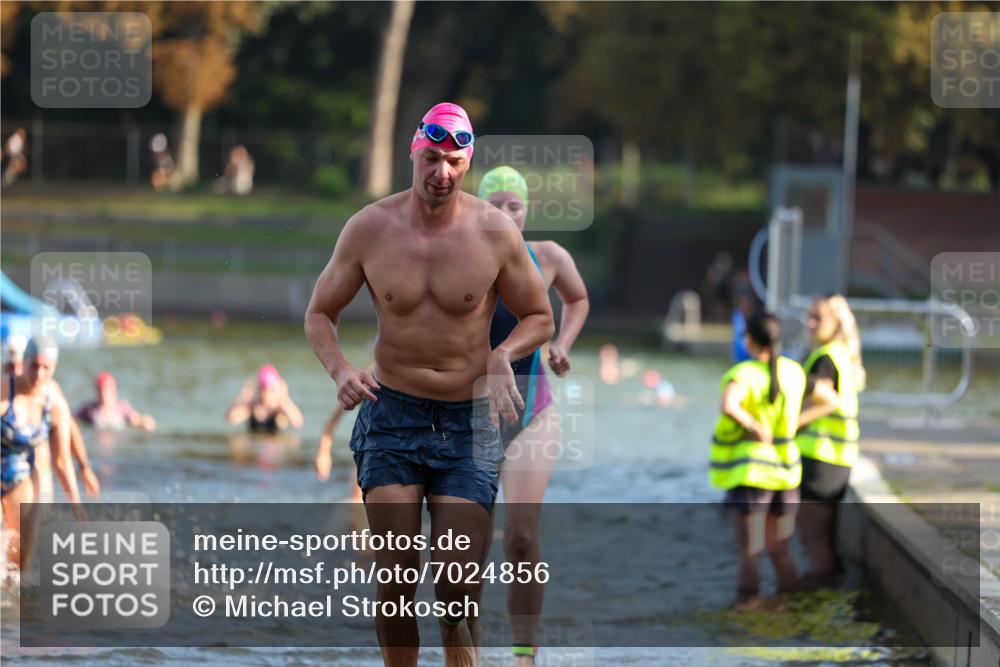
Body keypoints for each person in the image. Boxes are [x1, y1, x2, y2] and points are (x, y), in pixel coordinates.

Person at [304, 102, 554, 667]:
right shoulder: (369, 228)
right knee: (395, 586)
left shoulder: (493, 233)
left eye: (454, 162)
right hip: (392, 417)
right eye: (433, 157)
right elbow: (320, 312)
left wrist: (503, 354)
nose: (441, 172)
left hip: (468, 425)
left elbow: (541, 316)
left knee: (457, 595)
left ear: (467, 166)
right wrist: (342, 370)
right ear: (413, 152)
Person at [478, 165, 590, 666]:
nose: (504, 213)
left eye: (514, 206)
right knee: (466, 548)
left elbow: (578, 297)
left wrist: (563, 344)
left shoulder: (547, 257)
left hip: (532, 416)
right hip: (471, 418)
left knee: (521, 538)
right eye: (494, 205)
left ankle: (525, 655)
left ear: (527, 211)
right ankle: (467, 653)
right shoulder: (463, 261)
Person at [709, 312, 806, 609]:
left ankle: (746, 607)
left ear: (749, 339)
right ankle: (788, 607)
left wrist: (753, 426)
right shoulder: (794, 372)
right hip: (787, 472)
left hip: (753, 475)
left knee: (750, 548)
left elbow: (729, 405)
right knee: (781, 550)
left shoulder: (745, 372)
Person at [796, 294, 865, 590]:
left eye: (818, 318)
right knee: (824, 538)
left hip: (821, 460)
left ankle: (817, 600)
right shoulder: (843, 354)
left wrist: (790, 425)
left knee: (814, 538)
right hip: (838, 460)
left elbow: (829, 400)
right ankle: (831, 598)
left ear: (835, 323)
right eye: (808, 317)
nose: (810, 323)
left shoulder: (826, 357)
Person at [2, 337, 83, 570]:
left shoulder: (55, 405)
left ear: (54, 368)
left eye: (46, 367)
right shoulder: (4, 391)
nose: (39, 373)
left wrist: (76, 504)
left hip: (20, 474)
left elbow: (61, 460)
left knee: (19, 558)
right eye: (34, 366)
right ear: (24, 363)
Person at [5, 334, 100, 500]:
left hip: (38, 476)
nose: (15, 371)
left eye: (16, 365)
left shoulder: (53, 396)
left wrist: (84, 467)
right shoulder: (4, 390)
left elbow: (69, 429)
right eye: (9, 367)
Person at [226, 365, 304, 434]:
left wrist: (284, 398)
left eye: (269, 391)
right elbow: (231, 419)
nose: (265, 394)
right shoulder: (252, 407)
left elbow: (298, 423)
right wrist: (243, 397)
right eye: (262, 390)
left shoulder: (279, 409)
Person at [76, 371, 156, 432]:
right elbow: (73, 421)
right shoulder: (89, 410)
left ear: (114, 392)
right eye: (100, 392)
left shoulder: (122, 408)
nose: (104, 396)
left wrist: (144, 422)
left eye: (107, 392)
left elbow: (139, 420)